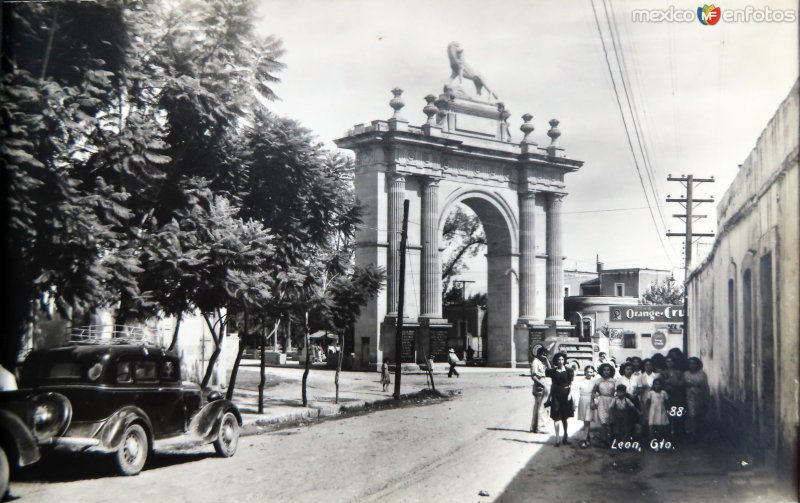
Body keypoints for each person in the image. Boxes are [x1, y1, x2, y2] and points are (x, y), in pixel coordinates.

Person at [545, 352, 574, 446]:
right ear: (556, 361)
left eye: (562, 359)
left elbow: (571, 384)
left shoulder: (569, 371)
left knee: (564, 418)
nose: (561, 361)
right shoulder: (553, 371)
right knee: (556, 417)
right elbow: (553, 384)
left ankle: (565, 436)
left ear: (564, 360)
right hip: (556, 395)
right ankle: (557, 439)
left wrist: (570, 394)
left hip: (566, 395)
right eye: (558, 360)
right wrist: (549, 396)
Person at [683, 356, 709, 438]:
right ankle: (693, 433)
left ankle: (699, 432)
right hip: (689, 396)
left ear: (697, 364)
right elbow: (682, 385)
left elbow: (705, 386)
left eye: (694, 363)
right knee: (692, 414)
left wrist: (706, 397)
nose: (692, 365)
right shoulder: (685, 374)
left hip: (700, 395)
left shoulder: (702, 374)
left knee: (699, 414)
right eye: (690, 363)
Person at [592, 363, 617, 447]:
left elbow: (617, 392)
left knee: (612, 422)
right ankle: (604, 440)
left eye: (608, 370)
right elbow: (593, 391)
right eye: (604, 370)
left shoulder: (614, 381)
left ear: (611, 371)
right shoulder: (598, 381)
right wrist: (594, 400)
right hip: (602, 401)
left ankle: (613, 440)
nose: (606, 372)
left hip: (611, 401)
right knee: (603, 422)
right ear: (601, 371)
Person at [661, 355, 685, 437]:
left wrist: (670, 382)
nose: (669, 363)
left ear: (674, 362)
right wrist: (670, 384)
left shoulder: (679, 372)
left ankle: (678, 435)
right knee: (668, 416)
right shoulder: (663, 373)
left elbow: (681, 383)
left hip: (678, 396)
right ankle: (668, 435)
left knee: (678, 415)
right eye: (667, 361)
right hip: (668, 396)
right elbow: (662, 384)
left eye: (671, 361)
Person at [529, 346, 551, 433]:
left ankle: (534, 427)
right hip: (540, 384)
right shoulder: (535, 362)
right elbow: (534, 376)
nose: (544, 356)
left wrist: (546, 360)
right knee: (542, 407)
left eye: (545, 355)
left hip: (542, 383)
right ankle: (540, 427)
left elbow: (550, 370)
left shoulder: (541, 362)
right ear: (538, 354)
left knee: (538, 407)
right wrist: (543, 385)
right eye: (543, 354)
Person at [575, 365, 597, 447]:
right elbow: (577, 391)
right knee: (585, 420)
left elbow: (596, 393)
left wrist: (594, 401)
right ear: (585, 372)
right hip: (582, 400)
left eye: (591, 372)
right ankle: (588, 438)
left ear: (593, 373)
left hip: (590, 400)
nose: (589, 373)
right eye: (587, 372)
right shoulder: (580, 380)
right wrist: (575, 402)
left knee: (587, 420)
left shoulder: (595, 381)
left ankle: (583, 440)